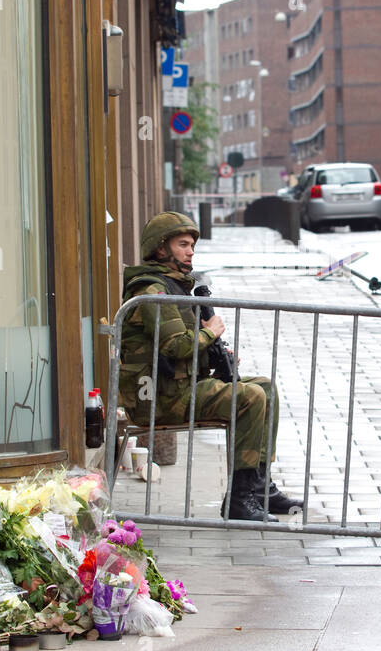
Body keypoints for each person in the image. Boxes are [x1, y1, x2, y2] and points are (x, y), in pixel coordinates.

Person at [118, 211, 304, 522]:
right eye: (183, 244)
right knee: (250, 398)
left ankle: (260, 488)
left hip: (180, 388)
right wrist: (210, 332)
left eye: (192, 245)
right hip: (161, 399)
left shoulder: (174, 287)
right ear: (161, 249)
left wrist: (217, 355)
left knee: (265, 387)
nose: (190, 251)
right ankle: (239, 500)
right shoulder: (151, 291)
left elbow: (182, 349)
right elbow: (174, 345)